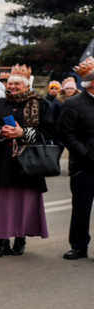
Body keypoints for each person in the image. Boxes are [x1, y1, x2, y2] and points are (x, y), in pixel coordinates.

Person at [0, 64, 55, 257]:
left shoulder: (40, 104)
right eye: (10, 83)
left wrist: (24, 133)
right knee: (1, 204)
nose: (12, 87)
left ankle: (20, 239)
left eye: (17, 84)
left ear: (26, 86)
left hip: (28, 162)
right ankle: (2, 241)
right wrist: (0, 132)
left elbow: (48, 133)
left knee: (25, 202)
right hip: (1, 162)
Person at [58, 58, 94, 260]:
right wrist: (86, 154)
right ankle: (79, 246)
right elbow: (65, 134)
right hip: (84, 166)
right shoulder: (73, 104)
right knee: (81, 208)